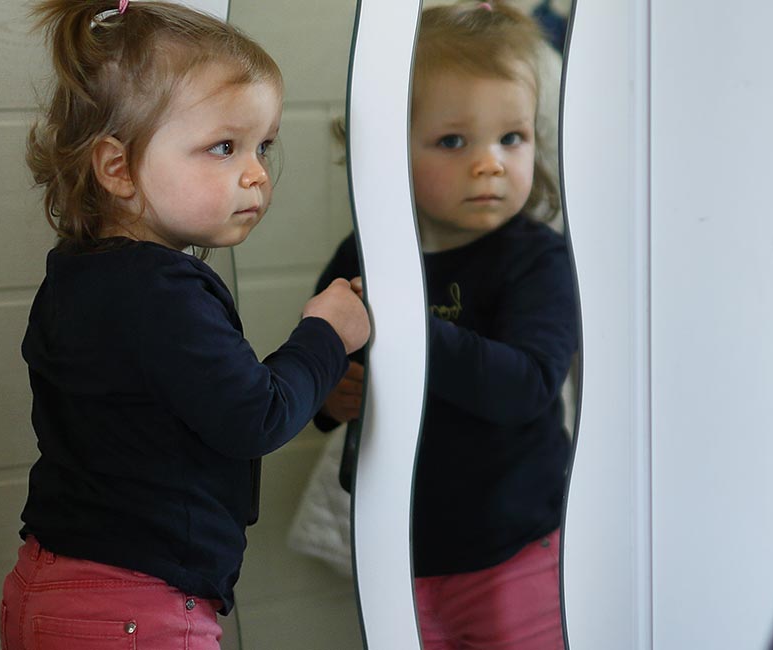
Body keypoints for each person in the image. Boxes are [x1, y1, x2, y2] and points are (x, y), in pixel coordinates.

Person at [1, 2, 369, 648]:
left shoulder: (76, 273)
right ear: (117, 168)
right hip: (134, 607)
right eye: (224, 148)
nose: (255, 172)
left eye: (263, 146)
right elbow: (255, 416)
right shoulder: (163, 289)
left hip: (45, 585)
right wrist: (326, 334)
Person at [314, 3, 578, 648]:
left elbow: (524, 388)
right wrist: (332, 395)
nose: (490, 163)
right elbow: (317, 364)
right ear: (387, 151)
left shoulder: (538, 258)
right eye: (454, 141)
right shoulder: (366, 255)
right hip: (397, 547)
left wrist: (404, 325)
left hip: (515, 551)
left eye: (511, 138)